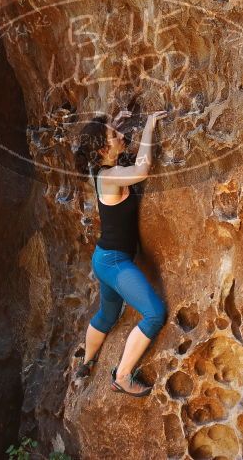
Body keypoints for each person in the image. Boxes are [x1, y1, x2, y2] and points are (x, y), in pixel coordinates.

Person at [73, 107, 169, 396]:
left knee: (107, 313)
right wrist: (150, 126)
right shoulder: (110, 177)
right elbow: (142, 169)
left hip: (105, 259)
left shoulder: (99, 168)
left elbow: (102, 140)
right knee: (154, 314)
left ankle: (87, 363)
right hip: (114, 262)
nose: (121, 136)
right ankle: (122, 376)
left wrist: (115, 121)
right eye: (115, 135)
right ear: (103, 149)